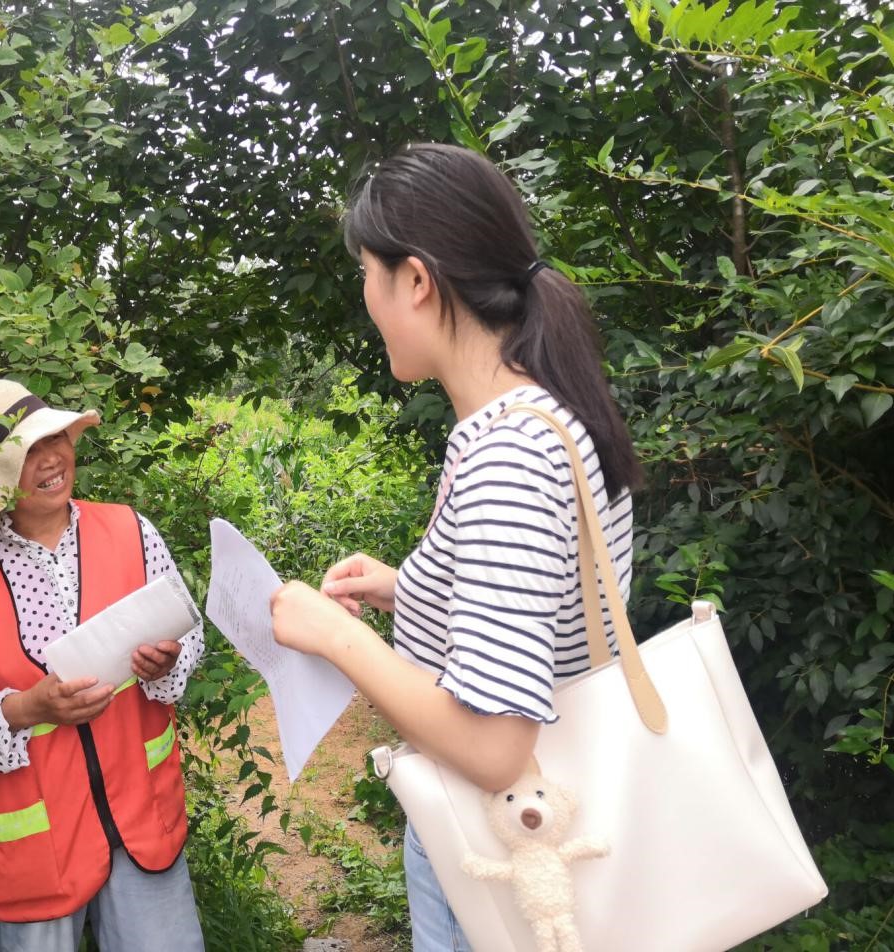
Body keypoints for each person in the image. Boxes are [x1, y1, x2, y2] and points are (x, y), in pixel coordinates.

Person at [269, 143, 641, 952]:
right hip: (542, 829)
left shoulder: (507, 457)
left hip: (503, 841)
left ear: (414, 280)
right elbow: (552, 603)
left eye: (366, 273)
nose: (365, 298)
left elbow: (495, 748)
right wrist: (411, 588)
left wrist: (336, 636)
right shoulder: (549, 415)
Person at [0, 378, 205, 952]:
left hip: (141, 821)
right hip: (38, 853)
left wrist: (166, 664)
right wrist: (28, 708)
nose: (50, 459)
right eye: (28, 451)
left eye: (54, 438)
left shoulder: (130, 530)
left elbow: (189, 632)